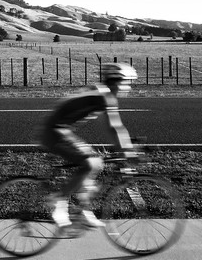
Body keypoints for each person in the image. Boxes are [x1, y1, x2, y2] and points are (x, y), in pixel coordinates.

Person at [41, 62, 138, 228]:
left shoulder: (102, 92)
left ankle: (83, 210)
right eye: (128, 82)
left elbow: (115, 128)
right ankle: (59, 201)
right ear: (117, 82)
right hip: (54, 131)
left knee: (97, 162)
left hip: (61, 129)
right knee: (90, 163)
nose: (129, 87)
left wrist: (126, 147)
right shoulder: (105, 95)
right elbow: (114, 127)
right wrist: (128, 150)